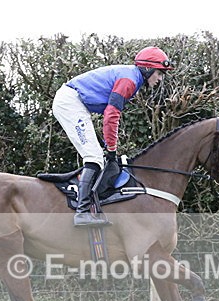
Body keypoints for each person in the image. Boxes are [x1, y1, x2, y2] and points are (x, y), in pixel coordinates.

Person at [52, 46, 173, 226]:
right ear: (148, 68)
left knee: (98, 156)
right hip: (70, 103)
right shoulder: (129, 81)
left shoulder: (133, 78)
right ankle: (82, 213)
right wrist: (112, 149)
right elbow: (111, 115)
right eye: (159, 73)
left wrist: (109, 148)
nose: (160, 78)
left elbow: (109, 115)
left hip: (75, 103)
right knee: (94, 158)